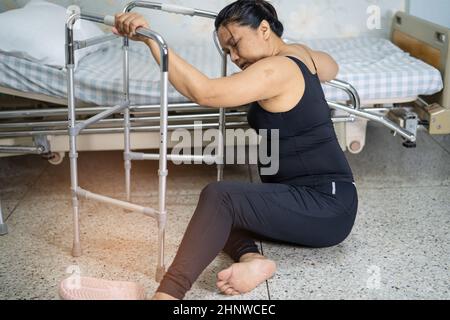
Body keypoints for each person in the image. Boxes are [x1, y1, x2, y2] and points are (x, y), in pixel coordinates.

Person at [112, 0, 358, 300]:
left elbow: (204, 92)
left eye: (235, 43)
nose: (234, 57)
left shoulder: (276, 69)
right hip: (309, 198)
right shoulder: (298, 54)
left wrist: (152, 40)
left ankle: (168, 295)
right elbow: (331, 65)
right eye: (227, 51)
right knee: (212, 219)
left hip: (326, 206)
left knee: (220, 197)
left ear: (264, 29)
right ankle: (253, 259)